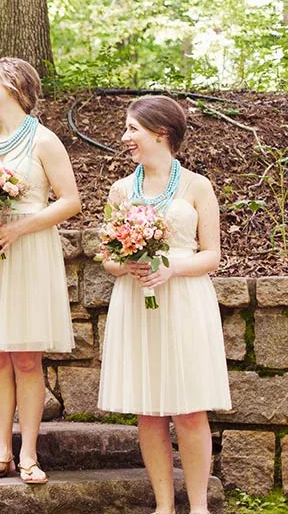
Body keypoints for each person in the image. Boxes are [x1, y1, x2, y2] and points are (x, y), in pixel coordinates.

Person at [98, 95, 229, 514]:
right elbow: (107, 258)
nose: (124, 137)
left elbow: (212, 255)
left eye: (132, 129)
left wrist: (169, 267)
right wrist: (127, 263)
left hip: (185, 301)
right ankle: (163, 507)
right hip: (136, 303)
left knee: (189, 410)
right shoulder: (121, 190)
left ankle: (198, 507)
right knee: (149, 410)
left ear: (161, 133)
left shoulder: (197, 186)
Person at [0, 57, 80, 485]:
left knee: (27, 357)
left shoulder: (44, 141)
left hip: (29, 251)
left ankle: (28, 454)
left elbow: (69, 201)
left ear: (12, 86)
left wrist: (19, 228)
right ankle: (1, 453)